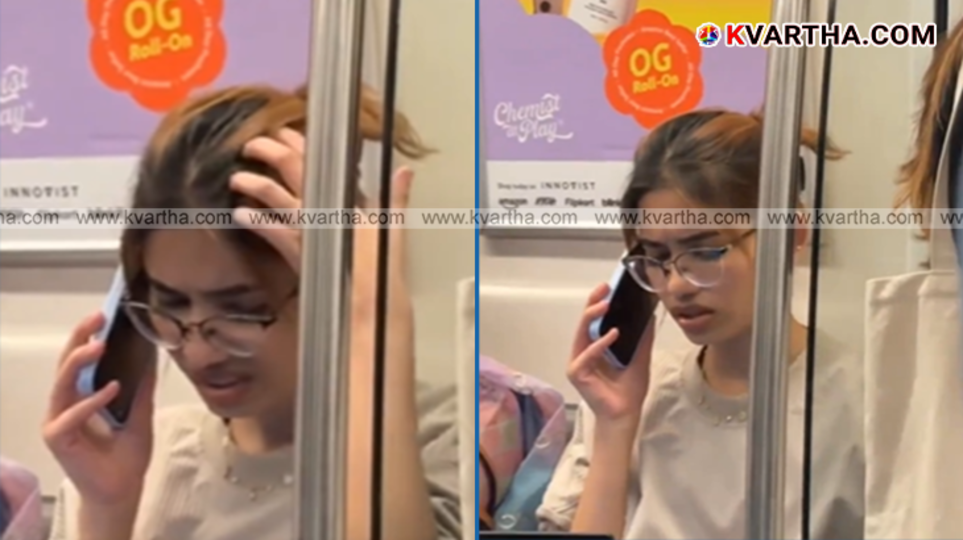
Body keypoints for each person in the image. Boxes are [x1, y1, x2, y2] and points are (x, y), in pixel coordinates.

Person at [41, 84, 462, 540]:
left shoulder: (451, 438)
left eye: (243, 312)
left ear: (336, 286)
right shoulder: (139, 460)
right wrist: (108, 512)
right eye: (170, 304)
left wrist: (373, 324)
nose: (198, 354)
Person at [536, 110, 865, 539]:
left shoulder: (860, 403)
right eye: (655, 257)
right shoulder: (632, 396)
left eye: (706, 252)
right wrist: (616, 425)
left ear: (792, 234)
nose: (676, 285)